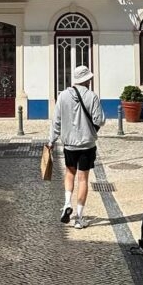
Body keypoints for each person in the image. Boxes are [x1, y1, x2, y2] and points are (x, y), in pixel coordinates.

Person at [48, 64, 105, 229]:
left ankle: (67, 204)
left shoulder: (63, 96)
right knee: (83, 179)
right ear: (87, 80)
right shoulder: (92, 96)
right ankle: (79, 218)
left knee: (69, 174)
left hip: (69, 145)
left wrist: (51, 141)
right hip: (87, 144)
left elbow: (56, 121)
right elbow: (99, 120)